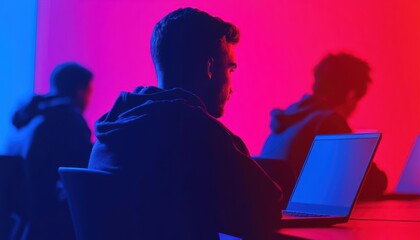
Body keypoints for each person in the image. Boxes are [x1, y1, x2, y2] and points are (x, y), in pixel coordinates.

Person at [88, 8, 283, 240]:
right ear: (209, 68)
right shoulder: (194, 129)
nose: (232, 87)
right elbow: (268, 207)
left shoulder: (111, 130)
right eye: (230, 69)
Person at [260, 52, 387, 200]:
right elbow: (369, 182)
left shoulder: (288, 118)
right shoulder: (328, 122)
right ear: (351, 95)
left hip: (274, 214)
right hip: (302, 218)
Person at [4, 62, 93, 239]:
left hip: (20, 228)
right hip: (50, 227)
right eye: (89, 91)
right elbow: (86, 173)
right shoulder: (67, 120)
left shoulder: (27, 120)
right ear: (79, 90)